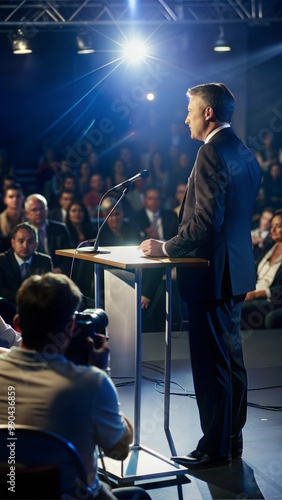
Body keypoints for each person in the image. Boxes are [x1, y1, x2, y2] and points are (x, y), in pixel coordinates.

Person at [138, 83, 262, 468]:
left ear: (208, 113)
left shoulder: (210, 152)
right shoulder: (244, 151)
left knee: (211, 365)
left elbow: (206, 222)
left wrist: (167, 247)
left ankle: (214, 447)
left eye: (190, 110)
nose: (185, 117)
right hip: (236, 272)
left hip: (210, 274)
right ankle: (230, 439)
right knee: (230, 359)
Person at [0, 273, 151, 499]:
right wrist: (102, 374)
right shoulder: (91, 383)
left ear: (18, 323)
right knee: (138, 495)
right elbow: (119, 451)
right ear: (71, 326)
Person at [0, 223, 53, 324]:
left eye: (30, 242)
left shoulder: (44, 260)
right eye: (21, 241)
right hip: (9, 305)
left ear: (36, 245)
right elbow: (1, 290)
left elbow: (47, 287)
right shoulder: (2, 260)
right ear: (13, 242)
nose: (25, 246)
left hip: (38, 305)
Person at [241, 210, 282, 330]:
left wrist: (256, 294)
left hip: (271, 298)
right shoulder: (269, 246)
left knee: (241, 308)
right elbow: (252, 271)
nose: (273, 230)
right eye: (272, 226)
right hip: (253, 291)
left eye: (278, 226)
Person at [24, 193, 72, 274]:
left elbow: (70, 256)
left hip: (56, 274)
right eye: (34, 210)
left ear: (47, 211)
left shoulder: (60, 229)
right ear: (26, 213)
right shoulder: (22, 231)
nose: (39, 213)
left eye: (41, 209)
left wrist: (60, 269)